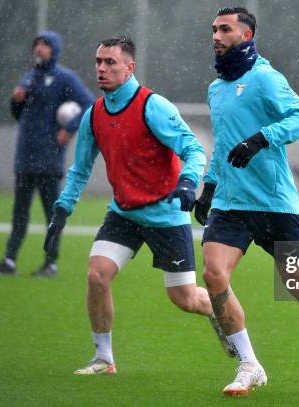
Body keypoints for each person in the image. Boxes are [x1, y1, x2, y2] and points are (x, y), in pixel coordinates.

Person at [43, 36, 235, 375]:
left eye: (110, 62)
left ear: (129, 67)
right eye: (98, 62)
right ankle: (104, 359)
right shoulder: (94, 115)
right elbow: (80, 168)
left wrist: (189, 181)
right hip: (123, 213)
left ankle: (220, 316)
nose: (102, 68)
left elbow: (192, 148)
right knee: (97, 275)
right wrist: (62, 209)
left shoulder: (152, 106)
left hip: (165, 214)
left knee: (185, 299)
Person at [194, 7, 299, 396]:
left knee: (297, 284)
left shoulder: (265, 78)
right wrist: (209, 188)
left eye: (224, 29)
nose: (216, 35)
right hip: (230, 203)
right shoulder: (216, 88)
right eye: (213, 29)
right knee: (213, 276)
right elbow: (224, 145)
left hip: (275, 204)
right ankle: (249, 363)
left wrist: (260, 139)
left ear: (245, 35)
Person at [0, 31, 95, 278]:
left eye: (45, 45)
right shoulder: (30, 77)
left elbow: (90, 103)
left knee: (52, 214)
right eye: (37, 45)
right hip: (25, 157)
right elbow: (17, 114)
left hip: (49, 159)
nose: (39, 49)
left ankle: (50, 264)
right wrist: (16, 100)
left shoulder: (64, 78)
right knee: (19, 213)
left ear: (54, 49)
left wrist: (70, 128)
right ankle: (9, 261)